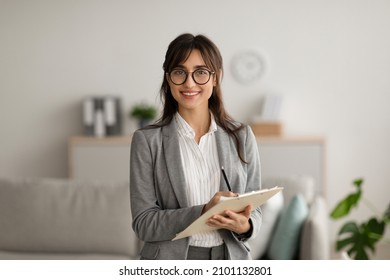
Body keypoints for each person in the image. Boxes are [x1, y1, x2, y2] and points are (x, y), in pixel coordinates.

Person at [129, 33, 261, 260]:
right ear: (168, 78)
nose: (189, 83)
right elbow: (144, 223)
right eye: (180, 72)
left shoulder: (242, 136)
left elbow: (256, 210)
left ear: (215, 77)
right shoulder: (147, 141)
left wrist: (245, 226)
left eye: (200, 72)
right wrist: (203, 212)